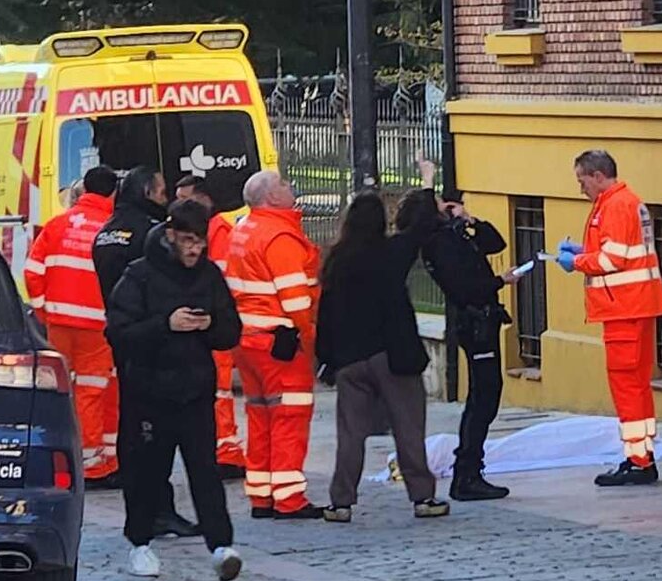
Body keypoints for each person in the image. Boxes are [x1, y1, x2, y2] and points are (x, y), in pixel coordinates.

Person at [107, 199, 244, 581]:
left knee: (205, 471)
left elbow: (231, 330)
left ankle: (221, 546)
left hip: (195, 391)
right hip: (149, 393)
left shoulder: (210, 275)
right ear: (170, 235)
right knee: (147, 473)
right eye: (187, 240)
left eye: (200, 241)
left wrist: (209, 325)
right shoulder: (140, 275)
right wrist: (165, 325)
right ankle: (140, 543)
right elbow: (118, 332)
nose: (194, 249)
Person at [316, 190, 449, 522]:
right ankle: (422, 497)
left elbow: (325, 315)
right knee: (408, 429)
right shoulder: (391, 253)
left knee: (350, 435)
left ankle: (340, 502)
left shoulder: (336, 261)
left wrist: (327, 360)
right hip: (393, 357)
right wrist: (429, 193)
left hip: (350, 359)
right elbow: (419, 229)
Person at [93, 165, 200, 538]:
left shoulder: (106, 232)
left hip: (123, 339)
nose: (165, 198)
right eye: (162, 191)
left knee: (133, 429)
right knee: (158, 432)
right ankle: (159, 510)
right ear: (147, 193)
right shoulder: (151, 233)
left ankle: (139, 509)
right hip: (157, 343)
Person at [554, 149, 662, 487]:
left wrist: (577, 262)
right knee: (637, 385)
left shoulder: (615, 205)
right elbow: (621, 252)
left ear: (598, 176)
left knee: (626, 385)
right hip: (637, 305)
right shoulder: (625, 201)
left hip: (624, 309)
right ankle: (643, 456)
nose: (581, 188)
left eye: (582, 181)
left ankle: (638, 461)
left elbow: (612, 260)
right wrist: (584, 251)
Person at [416, 165, 522, 502]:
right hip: (474, 324)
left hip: (483, 322)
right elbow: (465, 289)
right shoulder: (439, 243)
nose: (448, 206)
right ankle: (467, 473)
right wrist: (500, 281)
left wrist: (470, 219)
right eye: (441, 203)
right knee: (483, 398)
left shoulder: (455, 235)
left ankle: (470, 470)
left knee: (487, 395)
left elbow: (495, 242)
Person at [224, 171, 322, 520]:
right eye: (282, 183)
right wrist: (310, 338)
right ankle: (289, 498)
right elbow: (296, 301)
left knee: (260, 414)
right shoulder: (280, 236)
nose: (289, 186)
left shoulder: (243, 230)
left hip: (247, 340)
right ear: (271, 197)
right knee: (289, 417)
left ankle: (262, 495)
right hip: (280, 341)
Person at [24, 166, 120, 488]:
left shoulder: (57, 225)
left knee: (60, 390)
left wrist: (44, 312)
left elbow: (33, 271)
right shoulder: (110, 229)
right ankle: (92, 463)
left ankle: (56, 452)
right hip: (96, 325)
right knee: (92, 391)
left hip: (58, 324)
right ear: (112, 193)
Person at [176, 175, 247, 479]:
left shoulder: (219, 232)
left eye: (186, 199)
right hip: (204, 326)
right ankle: (223, 449)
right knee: (215, 392)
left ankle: (225, 451)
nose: (179, 206)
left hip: (212, 326)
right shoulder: (208, 231)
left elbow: (216, 285)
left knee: (218, 391)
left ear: (205, 200)